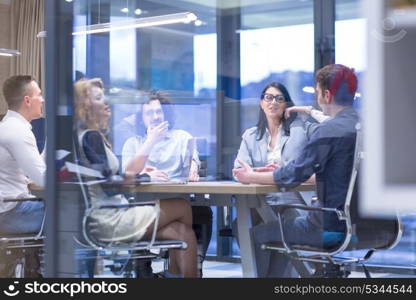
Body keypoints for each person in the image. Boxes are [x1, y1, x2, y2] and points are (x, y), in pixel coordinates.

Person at [233, 64, 359, 277]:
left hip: (327, 226)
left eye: (317, 92)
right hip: (371, 227)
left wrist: (252, 176)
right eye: (268, 97)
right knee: (269, 224)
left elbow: (290, 176)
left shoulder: (326, 131)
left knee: (252, 234)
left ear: (326, 95)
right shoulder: (366, 127)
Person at [74, 78, 198, 278]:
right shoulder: (91, 137)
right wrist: (143, 177)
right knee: (182, 206)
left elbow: (109, 179)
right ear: (86, 105)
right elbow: (110, 185)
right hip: (107, 219)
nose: (106, 102)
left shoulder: (85, 135)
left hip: (107, 214)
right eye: (99, 98)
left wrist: (136, 176)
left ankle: (176, 276)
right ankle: (177, 277)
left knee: (183, 233)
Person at [121, 91, 212, 277]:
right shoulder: (133, 143)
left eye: (159, 112)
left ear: (166, 114)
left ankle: (172, 274)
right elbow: (127, 174)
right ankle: (172, 274)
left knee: (186, 233)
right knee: (184, 215)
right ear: (141, 118)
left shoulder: (181, 137)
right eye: (149, 113)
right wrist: (151, 141)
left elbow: (193, 159)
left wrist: (194, 167)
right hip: (143, 213)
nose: (155, 117)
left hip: (175, 214)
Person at [0, 75, 46, 235]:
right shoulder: (18, 131)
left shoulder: (9, 126)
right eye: (39, 95)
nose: (43, 100)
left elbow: (36, 172)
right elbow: (43, 179)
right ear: (27, 100)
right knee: (74, 215)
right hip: (11, 213)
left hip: (8, 209)